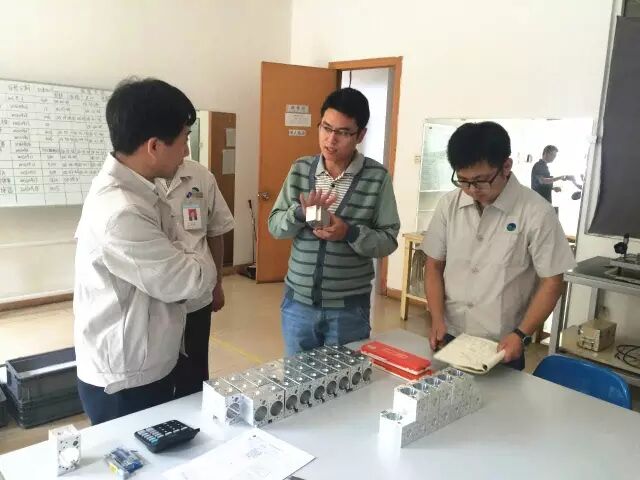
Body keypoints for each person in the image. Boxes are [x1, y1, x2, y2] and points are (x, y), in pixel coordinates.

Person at [73, 78, 215, 424]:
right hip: (126, 381)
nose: (186, 151)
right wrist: (197, 256)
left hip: (144, 361)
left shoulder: (140, 191)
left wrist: (184, 253)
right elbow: (192, 282)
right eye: (184, 139)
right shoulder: (123, 211)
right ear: (154, 146)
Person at [422, 122, 576, 370]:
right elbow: (433, 266)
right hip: (450, 336)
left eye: (480, 181)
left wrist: (521, 334)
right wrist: (437, 318)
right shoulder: (449, 205)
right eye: (463, 181)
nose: (472, 190)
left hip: (503, 344)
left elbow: (553, 281)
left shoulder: (536, 212)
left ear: (506, 166)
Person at [268, 87, 400, 355]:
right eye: (326, 128)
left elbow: (388, 240)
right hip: (298, 305)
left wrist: (349, 233)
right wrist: (300, 214)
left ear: (360, 135)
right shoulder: (300, 169)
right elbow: (275, 225)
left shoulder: (377, 178)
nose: (330, 139)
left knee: (343, 379)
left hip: (348, 310)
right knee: (298, 378)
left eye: (343, 132)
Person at [156, 157, 234, 398]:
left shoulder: (201, 176)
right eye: (181, 140)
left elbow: (215, 231)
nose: (186, 149)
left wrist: (217, 284)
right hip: (158, 299)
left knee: (195, 372)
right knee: (159, 377)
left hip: (197, 296)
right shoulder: (140, 179)